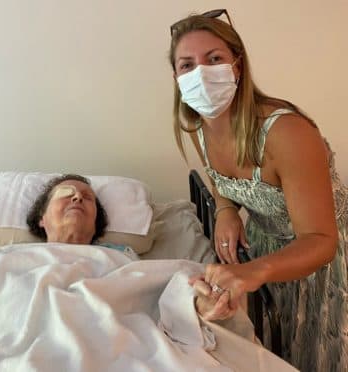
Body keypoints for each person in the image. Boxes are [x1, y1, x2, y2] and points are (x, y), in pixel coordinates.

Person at [168, 9, 348, 372]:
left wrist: (253, 273)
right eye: (187, 65)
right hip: (267, 251)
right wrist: (224, 210)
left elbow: (320, 239)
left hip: (325, 258)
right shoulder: (200, 129)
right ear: (176, 77)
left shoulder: (286, 134)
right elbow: (220, 181)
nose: (200, 72)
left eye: (213, 58)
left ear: (236, 65)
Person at [27, 174, 138, 259]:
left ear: (95, 222)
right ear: (42, 217)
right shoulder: (15, 256)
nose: (78, 196)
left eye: (87, 197)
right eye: (66, 193)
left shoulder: (122, 257)